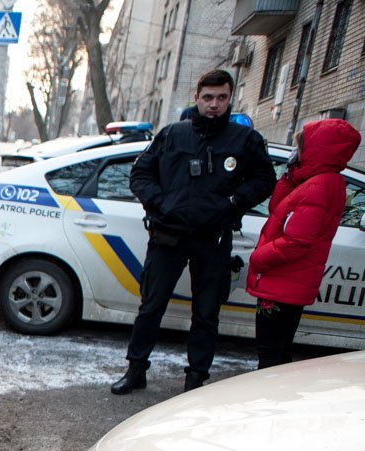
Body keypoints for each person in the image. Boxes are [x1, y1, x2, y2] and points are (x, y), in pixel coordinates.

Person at [111, 69, 276, 394]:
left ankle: (196, 380)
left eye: (221, 98)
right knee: (151, 307)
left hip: (212, 238)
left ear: (230, 99)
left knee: (206, 314)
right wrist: (161, 204)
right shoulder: (173, 134)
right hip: (168, 235)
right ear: (197, 98)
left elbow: (264, 180)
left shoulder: (244, 140)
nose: (214, 105)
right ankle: (135, 370)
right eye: (208, 98)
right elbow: (140, 174)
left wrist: (232, 202)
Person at [247, 118, 361, 369]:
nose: (296, 151)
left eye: (301, 146)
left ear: (318, 149)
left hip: (282, 282)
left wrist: (258, 259)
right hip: (289, 284)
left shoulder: (318, 186)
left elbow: (297, 241)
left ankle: (267, 403)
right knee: (279, 352)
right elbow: (280, 209)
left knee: (269, 356)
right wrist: (290, 176)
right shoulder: (320, 182)